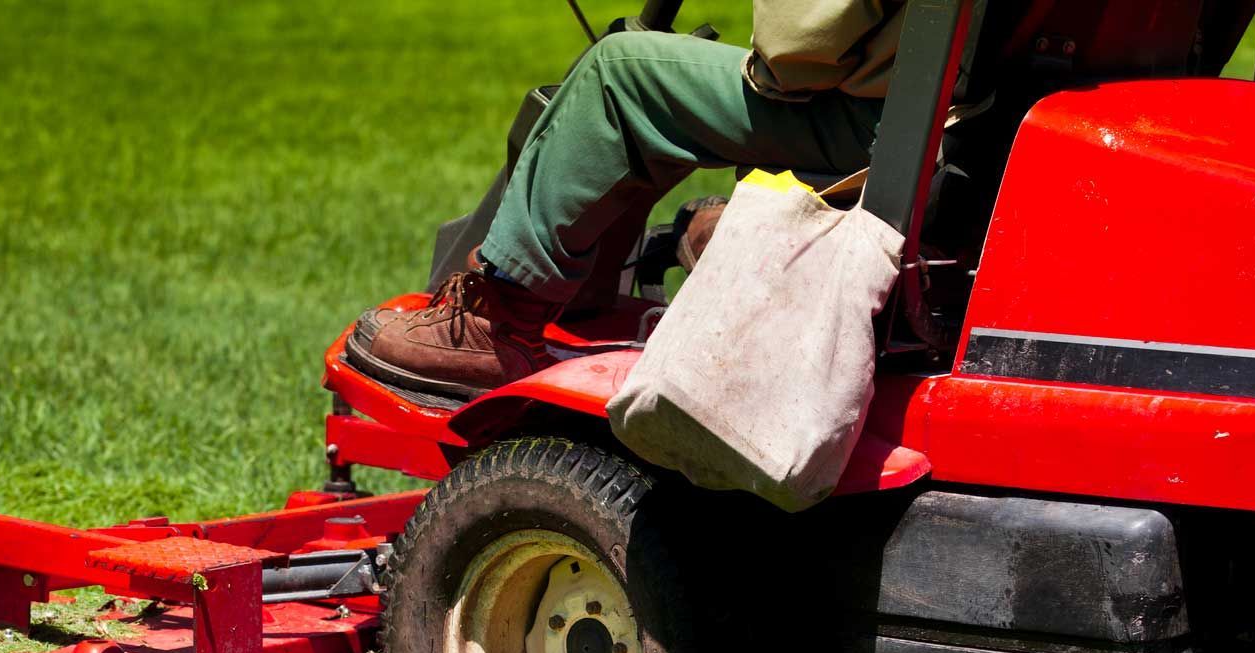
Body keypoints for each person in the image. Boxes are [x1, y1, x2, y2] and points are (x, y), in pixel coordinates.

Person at [351, 3, 905, 399]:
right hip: (955, 124)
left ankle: (498, 326)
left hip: (888, 126)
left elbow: (797, 48)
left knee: (621, 73)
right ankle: (711, 236)